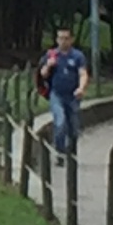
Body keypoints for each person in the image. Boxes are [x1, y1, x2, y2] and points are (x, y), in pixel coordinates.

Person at [42, 26, 90, 155]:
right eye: (61, 38)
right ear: (57, 40)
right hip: (56, 94)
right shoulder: (51, 55)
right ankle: (60, 152)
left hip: (73, 96)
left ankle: (72, 152)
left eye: (66, 38)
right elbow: (43, 74)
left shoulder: (78, 56)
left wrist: (81, 88)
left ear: (71, 40)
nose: (63, 41)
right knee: (60, 121)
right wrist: (48, 65)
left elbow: (83, 74)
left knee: (73, 127)